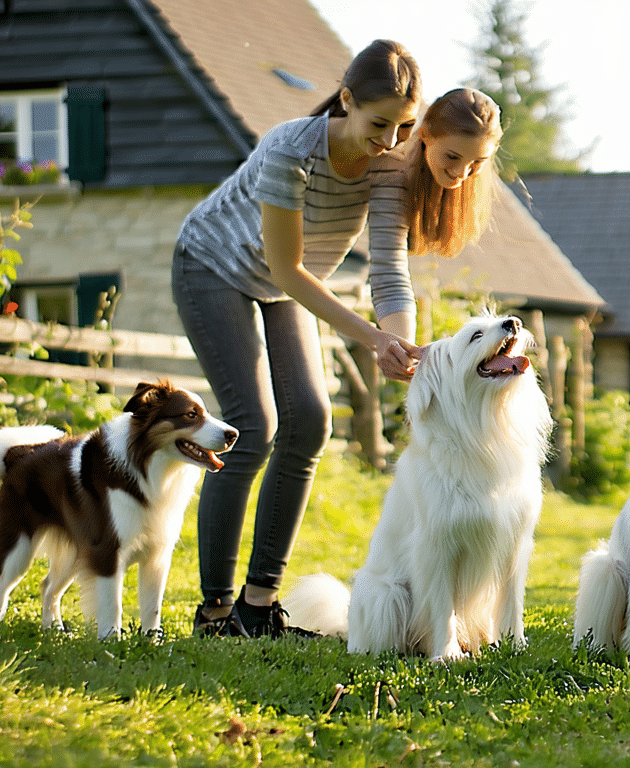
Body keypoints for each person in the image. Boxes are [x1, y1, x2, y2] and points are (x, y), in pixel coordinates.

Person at [171, 37, 504, 638]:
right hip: (214, 268)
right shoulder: (290, 150)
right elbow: (284, 269)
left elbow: (388, 269)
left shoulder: (387, 164)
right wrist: (371, 338)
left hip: (283, 289)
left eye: (404, 128)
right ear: (346, 100)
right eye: (380, 124)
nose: (390, 142)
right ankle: (214, 613)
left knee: (310, 422)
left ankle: (257, 606)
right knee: (252, 426)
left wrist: (400, 348)